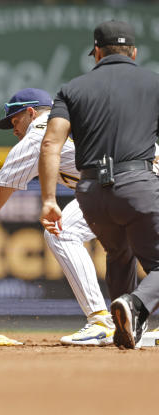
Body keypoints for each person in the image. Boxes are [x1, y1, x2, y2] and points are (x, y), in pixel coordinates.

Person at [0, 88, 115, 346]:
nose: (14, 130)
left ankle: (101, 322)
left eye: (15, 121)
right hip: (145, 178)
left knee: (62, 231)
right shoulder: (86, 120)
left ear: (31, 113)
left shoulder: (37, 138)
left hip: (119, 186)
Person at [39, 20, 159, 349]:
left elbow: (50, 144)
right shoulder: (154, 83)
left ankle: (124, 328)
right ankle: (134, 305)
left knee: (119, 253)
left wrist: (49, 200)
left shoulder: (71, 89)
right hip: (137, 183)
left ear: (96, 52)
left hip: (91, 192)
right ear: (134, 52)